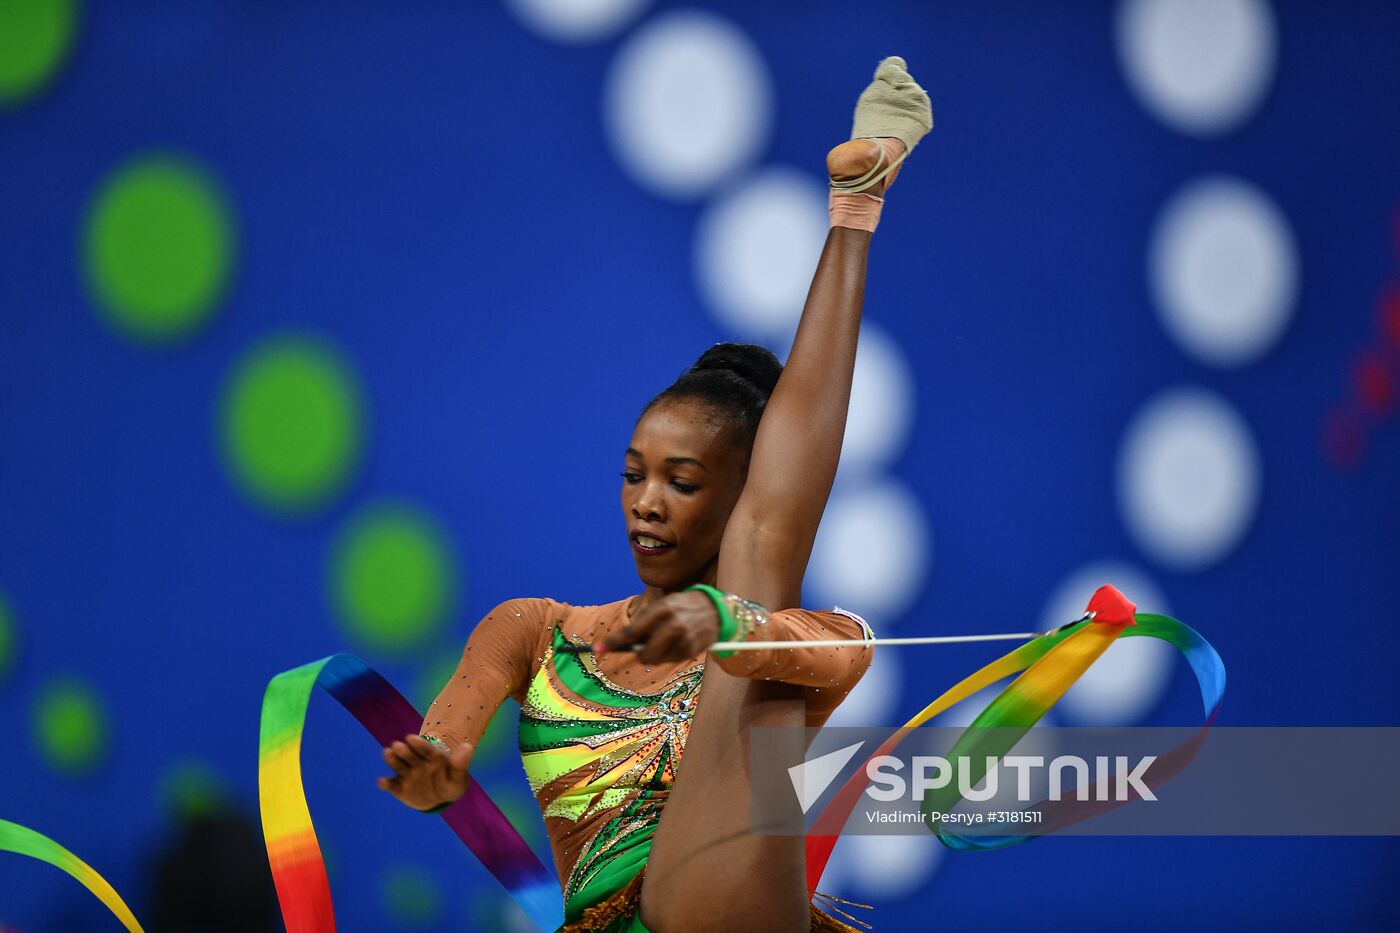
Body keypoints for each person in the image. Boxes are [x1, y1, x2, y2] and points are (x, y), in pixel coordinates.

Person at [376, 56, 933, 933]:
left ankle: (857, 208)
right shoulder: (536, 631)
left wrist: (732, 626)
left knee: (756, 604)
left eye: (681, 482)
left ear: (741, 492)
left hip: (728, 909)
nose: (646, 502)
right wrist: (439, 772)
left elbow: (843, 652)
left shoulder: (772, 640)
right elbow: (452, 726)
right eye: (634, 474)